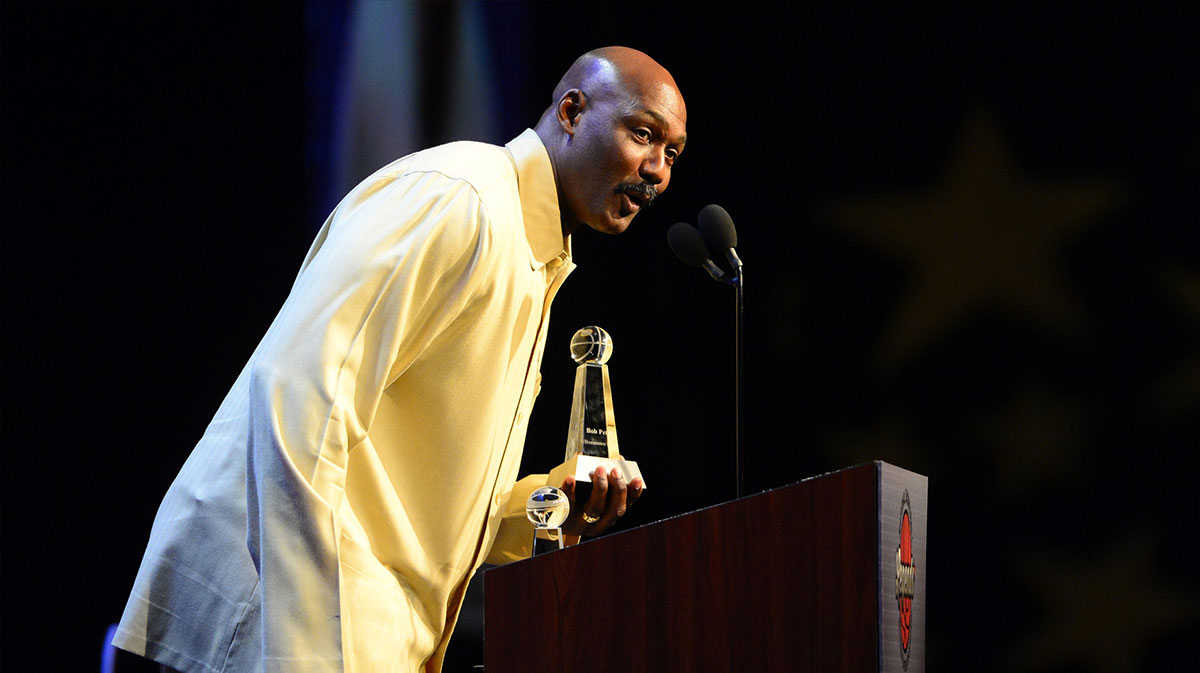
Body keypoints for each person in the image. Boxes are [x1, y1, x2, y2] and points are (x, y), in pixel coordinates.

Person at [112, 46, 687, 673]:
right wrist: (303, 652)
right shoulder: (460, 200)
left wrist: (549, 508)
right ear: (572, 112)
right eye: (643, 134)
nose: (657, 171)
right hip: (270, 626)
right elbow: (300, 397)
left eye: (673, 154)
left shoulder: (533, 259)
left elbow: (426, 503)